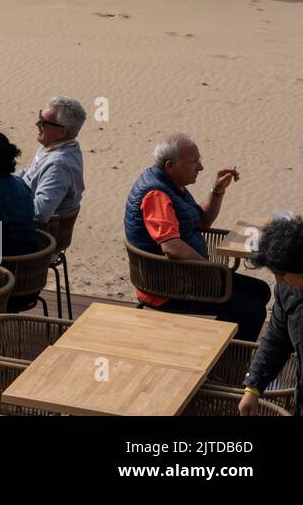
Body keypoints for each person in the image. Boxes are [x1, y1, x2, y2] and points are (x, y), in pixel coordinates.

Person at [124, 133, 270, 342]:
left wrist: (217, 191)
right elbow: (172, 247)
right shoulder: (156, 195)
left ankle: (216, 350)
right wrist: (211, 271)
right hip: (167, 288)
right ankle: (224, 370)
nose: (200, 168)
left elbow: (202, 221)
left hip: (186, 275)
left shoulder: (172, 185)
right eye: (194, 162)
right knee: (251, 310)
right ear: (170, 166)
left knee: (260, 290)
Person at [239, 216, 303, 416]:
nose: (278, 279)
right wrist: (253, 387)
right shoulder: (287, 290)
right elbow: (277, 337)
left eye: (281, 273)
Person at [18, 96, 87, 226]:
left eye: (43, 122)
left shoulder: (58, 166)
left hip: (36, 232)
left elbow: (39, 213)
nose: (37, 123)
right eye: (40, 116)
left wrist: (5, 207)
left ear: (61, 132)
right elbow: (30, 173)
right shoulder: (53, 145)